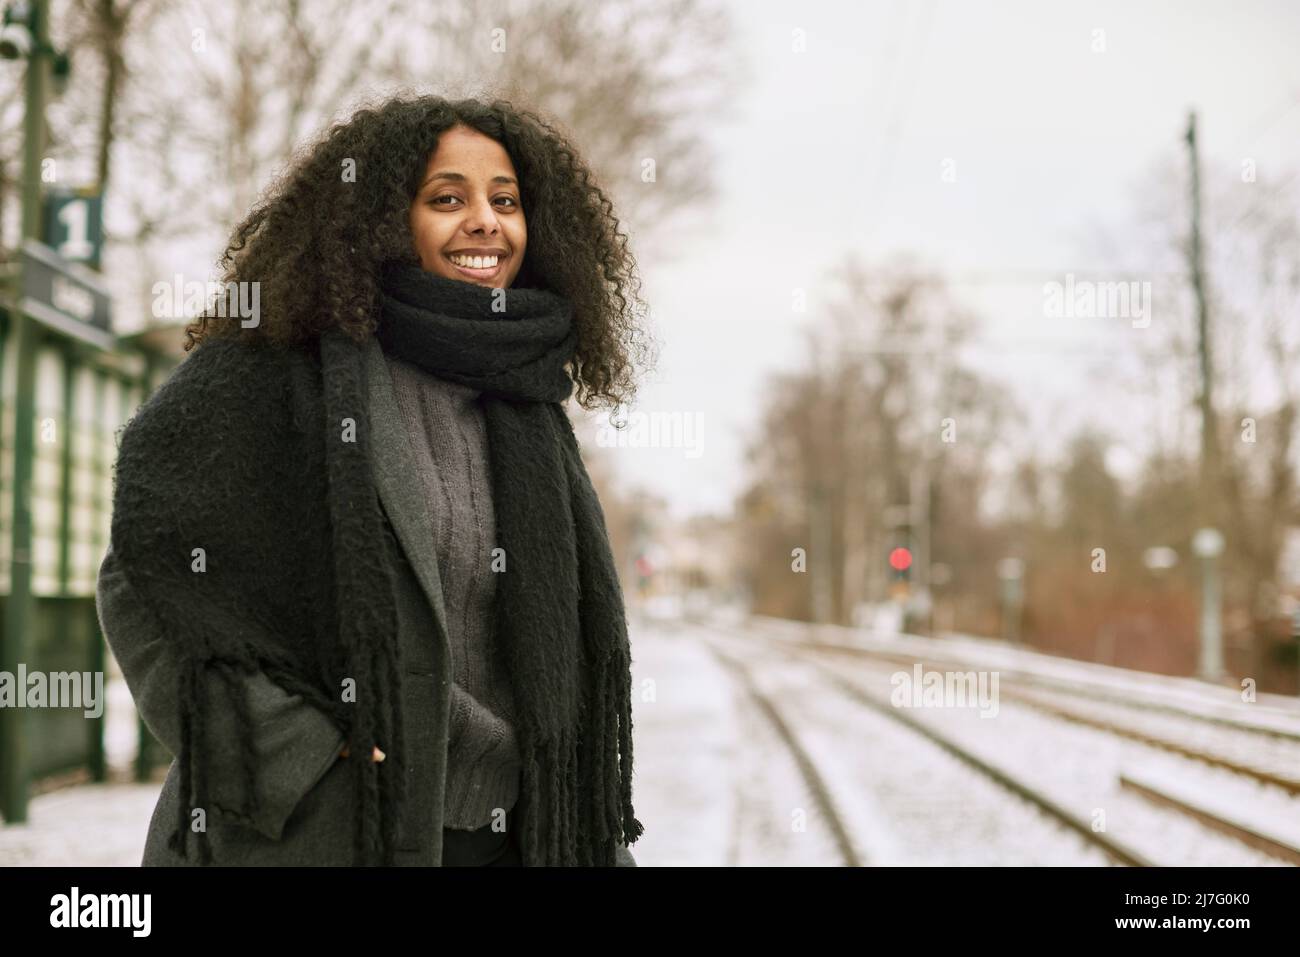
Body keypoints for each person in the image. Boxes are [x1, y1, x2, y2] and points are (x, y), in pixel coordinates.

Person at [96, 93, 655, 867]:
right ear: (387, 219)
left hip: (513, 842)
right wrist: (297, 763)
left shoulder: (527, 402)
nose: (486, 221)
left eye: (506, 201)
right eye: (447, 199)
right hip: (320, 836)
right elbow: (143, 578)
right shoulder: (278, 369)